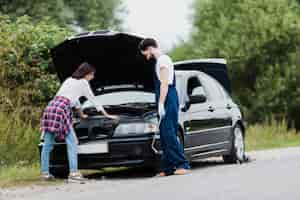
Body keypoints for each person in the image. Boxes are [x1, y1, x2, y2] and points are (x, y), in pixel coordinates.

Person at [41, 62, 118, 183]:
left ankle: (45, 174)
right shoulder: (83, 82)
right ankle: (73, 173)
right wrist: (106, 114)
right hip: (62, 109)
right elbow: (93, 99)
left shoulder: (69, 80)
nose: (92, 77)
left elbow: (73, 98)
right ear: (86, 74)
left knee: (47, 144)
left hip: (51, 107)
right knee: (72, 142)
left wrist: (81, 114)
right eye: (92, 75)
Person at [139, 38, 190, 176]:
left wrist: (161, 103)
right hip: (164, 97)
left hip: (168, 98)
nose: (145, 56)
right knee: (163, 133)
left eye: (144, 52)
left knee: (169, 133)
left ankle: (182, 164)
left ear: (149, 48)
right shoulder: (159, 61)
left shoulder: (163, 60)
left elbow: (164, 84)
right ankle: (167, 167)